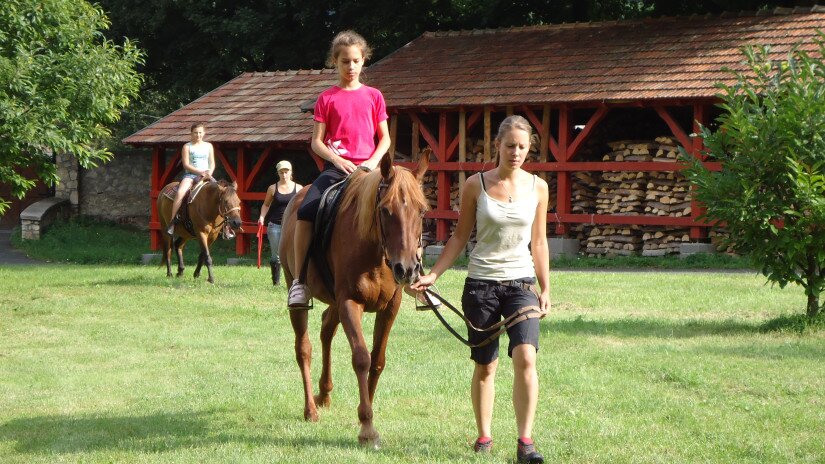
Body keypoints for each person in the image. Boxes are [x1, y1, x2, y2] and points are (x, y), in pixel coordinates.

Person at [410, 115, 551, 464]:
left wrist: (545, 287)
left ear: (528, 148)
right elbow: (460, 236)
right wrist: (435, 275)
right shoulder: (476, 184)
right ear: (497, 147)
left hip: (522, 284)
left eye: (521, 147)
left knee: (526, 357)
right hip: (481, 285)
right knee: (486, 366)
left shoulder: (538, 188)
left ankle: (526, 442)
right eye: (509, 146)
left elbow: (540, 241)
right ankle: (484, 435)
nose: (515, 152)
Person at [287, 30, 390, 308]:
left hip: (370, 170)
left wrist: (371, 162)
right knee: (307, 210)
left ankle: (416, 276)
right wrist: (336, 160)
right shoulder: (327, 98)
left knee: (401, 207)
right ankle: (299, 281)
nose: (351, 67)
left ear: (364, 61)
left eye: (356, 61)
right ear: (335, 62)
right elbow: (317, 142)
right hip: (338, 169)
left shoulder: (374, 96)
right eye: (345, 61)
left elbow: (386, 139)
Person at [258, 160, 302, 285]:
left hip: (292, 225)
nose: (284, 175)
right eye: (281, 172)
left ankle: (296, 280)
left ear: (291, 172)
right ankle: (276, 282)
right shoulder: (272, 188)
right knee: (276, 256)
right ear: (278, 173)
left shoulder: (299, 188)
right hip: (275, 225)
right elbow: (266, 205)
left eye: (286, 172)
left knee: (294, 252)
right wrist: (262, 217)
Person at [167, 123, 215, 235]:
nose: (198, 135)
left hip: (207, 175)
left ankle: (226, 226)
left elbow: (212, 163)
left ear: (204, 133)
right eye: (195, 133)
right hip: (191, 175)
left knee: (221, 193)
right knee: (180, 192)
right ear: (191, 133)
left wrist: (209, 174)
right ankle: (173, 222)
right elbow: (186, 165)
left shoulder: (209, 146)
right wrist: (200, 172)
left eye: (200, 132)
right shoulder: (187, 146)